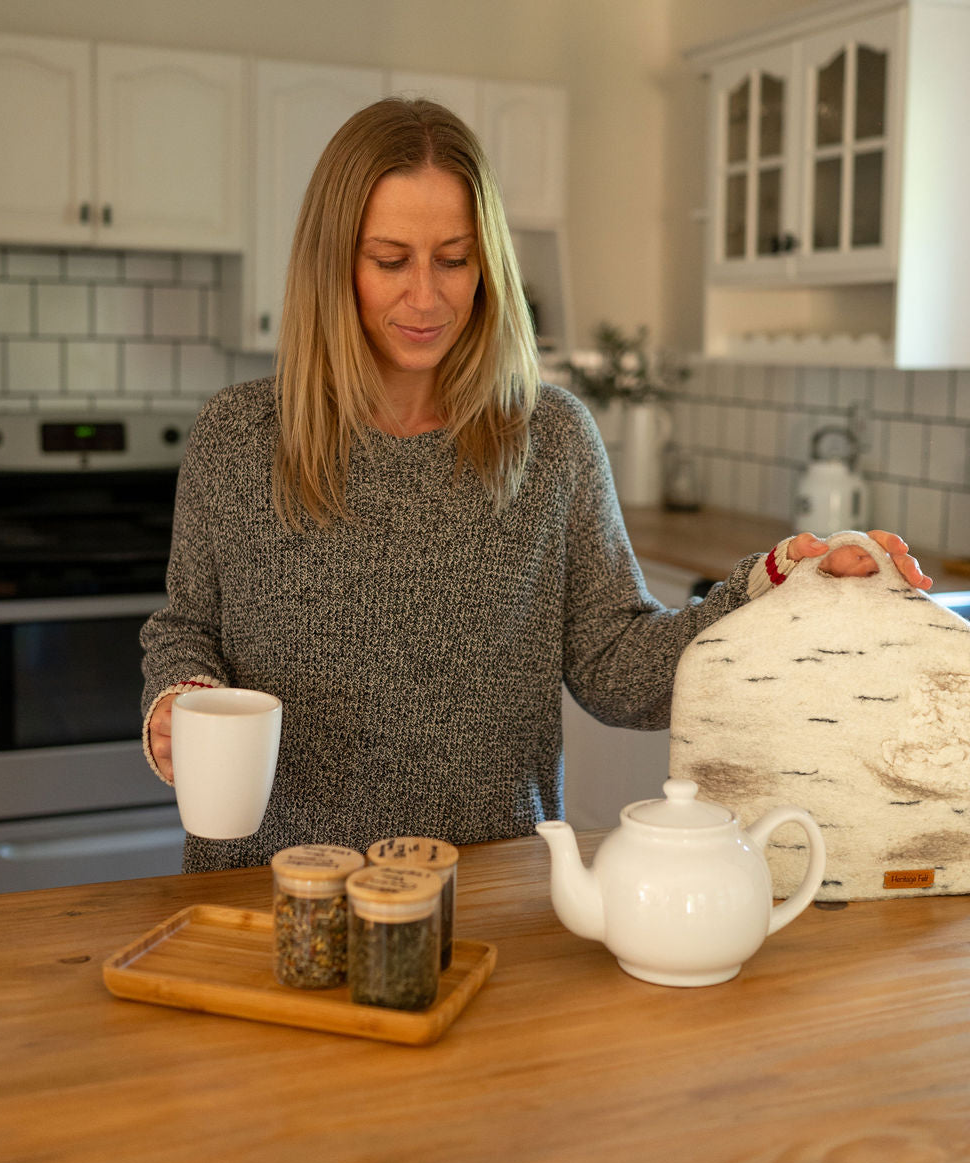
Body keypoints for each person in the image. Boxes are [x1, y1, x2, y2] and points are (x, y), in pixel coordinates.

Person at [140, 97, 931, 874]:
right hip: (271, 890)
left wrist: (775, 588)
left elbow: (618, 670)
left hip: (488, 900)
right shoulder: (240, 436)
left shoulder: (549, 439)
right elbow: (185, 627)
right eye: (390, 260)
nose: (426, 295)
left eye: (454, 258)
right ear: (332, 263)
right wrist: (181, 699)